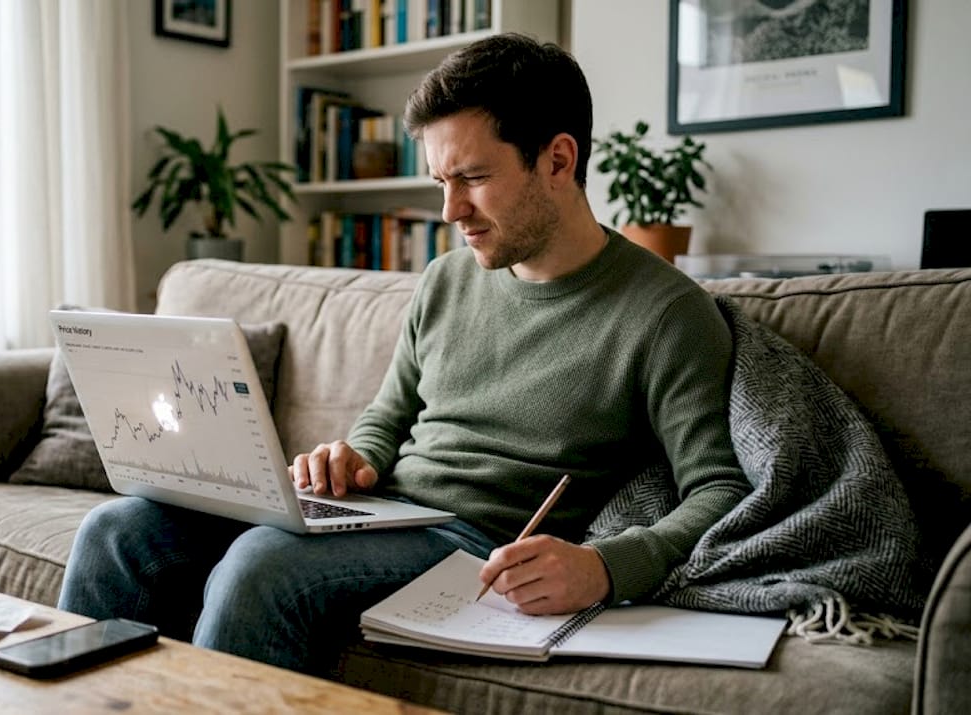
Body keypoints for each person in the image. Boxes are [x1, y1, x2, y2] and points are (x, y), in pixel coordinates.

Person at [57, 33, 751, 676]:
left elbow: (721, 490)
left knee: (261, 566)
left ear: (558, 161)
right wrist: (352, 458)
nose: (451, 211)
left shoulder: (666, 313)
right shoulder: (446, 280)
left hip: (478, 542)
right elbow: (387, 420)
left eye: (472, 177)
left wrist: (603, 566)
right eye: (441, 182)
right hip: (385, 511)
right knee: (118, 530)